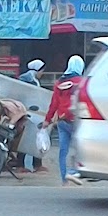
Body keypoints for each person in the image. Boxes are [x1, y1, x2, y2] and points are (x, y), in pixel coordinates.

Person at [43, 55, 85, 186]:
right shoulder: (81, 82)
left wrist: (47, 120)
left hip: (61, 121)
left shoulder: (59, 83)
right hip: (75, 121)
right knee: (82, 149)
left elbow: (54, 104)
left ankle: (64, 180)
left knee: (63, 151)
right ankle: (73, 172)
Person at [17, 59, 47, 173]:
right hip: (27, 112)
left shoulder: (29, 79)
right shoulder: (30, 81)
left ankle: (37, 164)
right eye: (41, 71)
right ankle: (22, 165)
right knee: (26, 138)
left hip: (33, 112)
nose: (42, 74)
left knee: (35, 138)